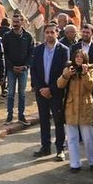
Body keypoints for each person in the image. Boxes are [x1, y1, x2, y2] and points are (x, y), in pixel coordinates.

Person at [31, 23, 70, 160]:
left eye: (52, 32)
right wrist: (41, 88)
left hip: (56, 92)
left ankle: (60, 149)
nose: (49, 35)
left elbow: (64, 73)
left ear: (57, 33)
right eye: (47, 32)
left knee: (58, 121)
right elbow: (34, 70)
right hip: (41, 92)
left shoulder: (63, 50)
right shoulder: (38, 49)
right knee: (44, 120)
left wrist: (51, 89)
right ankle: (45, 147)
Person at [57, 49, 93, 172]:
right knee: (72, 138)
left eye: (81, 57)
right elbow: (59, 84)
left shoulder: (91, 70)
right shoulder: (68, 69)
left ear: (85, 59)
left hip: (85, 107)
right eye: (77, 56)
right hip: (70, 108)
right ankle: (75, 164)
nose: (79, 59)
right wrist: (67, 75)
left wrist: (85, 74)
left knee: (88, 137)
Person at [2, 12, 34, 125]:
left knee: (22, 93)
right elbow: (4, 54)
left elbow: (31, 53)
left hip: (23, 70)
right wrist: (11, 66)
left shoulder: (28, 36)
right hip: (11, 69)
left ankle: (21, 115)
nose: (15, 24)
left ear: (22, 22)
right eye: (13, 22)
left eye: (17, 21)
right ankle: (9, 116)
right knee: (10, 93)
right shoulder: (7, 36)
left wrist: (25, 66)